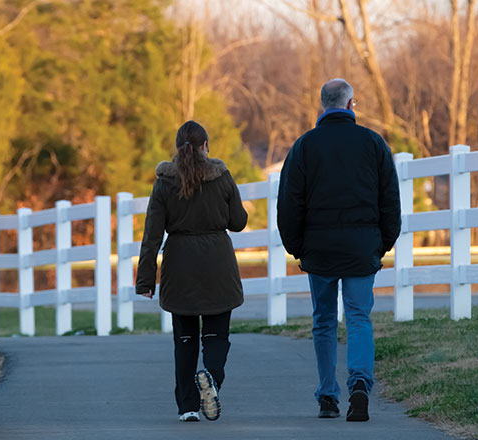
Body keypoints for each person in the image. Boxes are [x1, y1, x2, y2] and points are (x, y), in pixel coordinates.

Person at [277, 79, 401, 421]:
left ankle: (328, 396)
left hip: (319, 250)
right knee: (359, 317)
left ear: (322, 106)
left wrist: (296, 246)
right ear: (351, 105)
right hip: (362, 248)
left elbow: (289, 202)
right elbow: (390, 199)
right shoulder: (373, 144)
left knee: (324, 321)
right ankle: (359, 383)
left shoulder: (304, 147)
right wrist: (383, 243)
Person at [136, 120, 249, 422]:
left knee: (184, 340)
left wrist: (146, 280)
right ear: (206, 146)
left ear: (178, 148)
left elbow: (152, 235)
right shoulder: (221, 177)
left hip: (180, 267)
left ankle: (187, 406)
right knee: (215, 336)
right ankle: (210, 378)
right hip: (218, 266)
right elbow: (238, 221)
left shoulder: (164, 183)